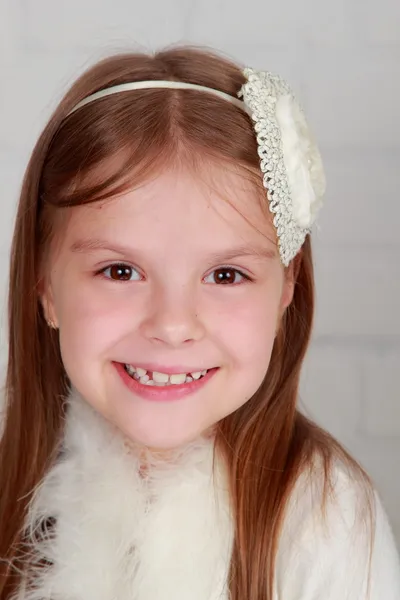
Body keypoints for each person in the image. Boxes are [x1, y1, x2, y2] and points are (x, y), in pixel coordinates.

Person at [0, 46, 399, 600]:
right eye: (120, 270)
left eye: (226, 275)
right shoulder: (12, 496)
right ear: (44, 285)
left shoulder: (328, 521)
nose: (172, 325)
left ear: (287, 287)